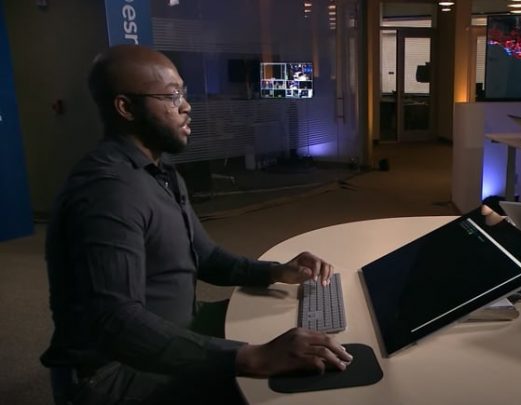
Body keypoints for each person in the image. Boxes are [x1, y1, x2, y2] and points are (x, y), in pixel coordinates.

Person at [41, 44, 352, 405]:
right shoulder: (107, 191)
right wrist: (251, 357)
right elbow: (115, 323)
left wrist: (276, 272)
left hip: (177, 326)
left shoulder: (159, 173)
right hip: (113, 375)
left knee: (289, 328)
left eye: (183, 93)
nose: (187, 106)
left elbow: (205, 257)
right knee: (294, 387)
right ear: (125, 108)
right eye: (171, 96)